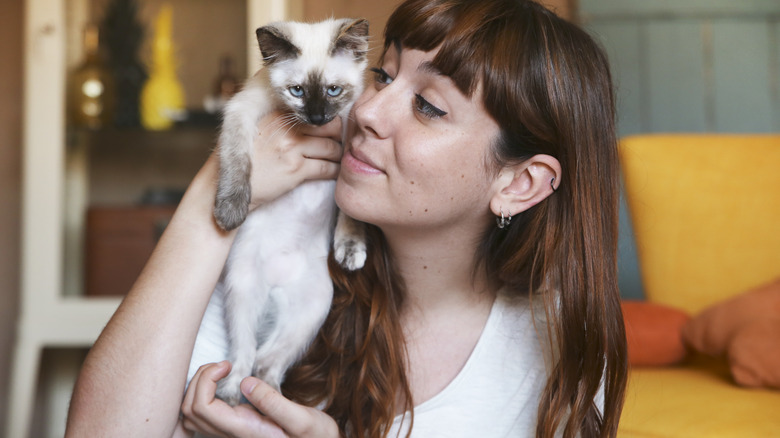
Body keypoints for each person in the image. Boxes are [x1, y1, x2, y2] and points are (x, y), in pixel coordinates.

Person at [66, 0, 628, 436]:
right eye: (382, 76)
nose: (366, 111)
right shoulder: (286, 250)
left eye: (429, 106)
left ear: (519, 183)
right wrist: (210, 198)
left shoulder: (560, 346)